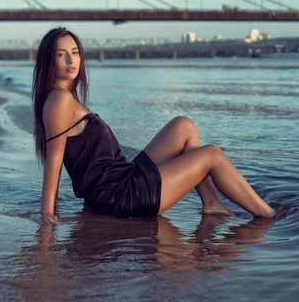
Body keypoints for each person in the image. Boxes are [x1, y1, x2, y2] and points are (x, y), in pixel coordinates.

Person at [32, 27, 275, 221]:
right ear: (48, 61)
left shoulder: (63, 98)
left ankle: (210, 202)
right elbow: (54, 163)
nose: (70, 60)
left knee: (184, 125)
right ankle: (267, 214)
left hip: (122, 178)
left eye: (74, 52)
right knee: (211, 154)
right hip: (119, 197)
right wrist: (47, 221)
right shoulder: (59, 100)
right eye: (61, 54)